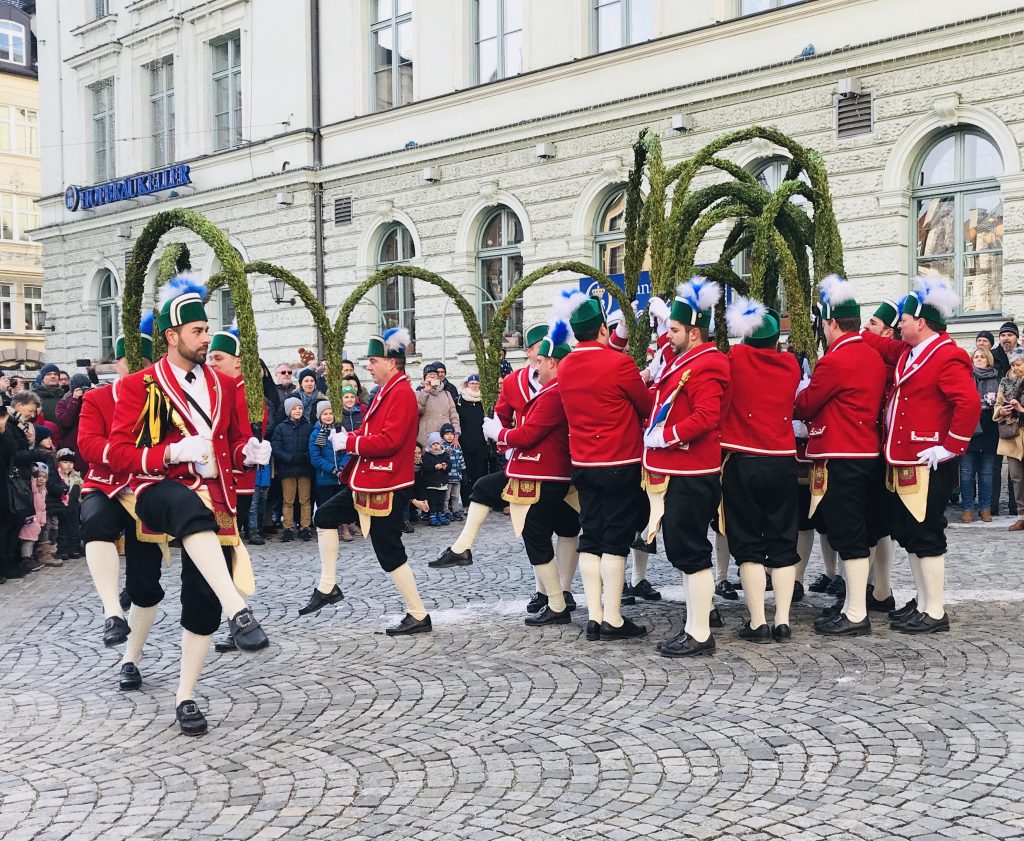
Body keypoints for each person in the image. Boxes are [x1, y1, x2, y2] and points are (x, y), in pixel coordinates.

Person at [107, 277, 272, 734]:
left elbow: (234, 440)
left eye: (206, 330)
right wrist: (170, 453)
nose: (205, 338)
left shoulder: (223, 384)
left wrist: (248, 454)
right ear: (171, 337)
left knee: (201, 601)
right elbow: (119, 452)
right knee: (186, 510)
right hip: (157, 488)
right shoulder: (141, 385)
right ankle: (239, 608)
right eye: (197, 331)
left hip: (215, 496)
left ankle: (185, 696)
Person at [861, 276, 980, 633]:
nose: (898, 326)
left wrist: (950, 445)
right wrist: (844, 323)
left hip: (929, 459)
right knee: (912, 534)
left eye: (905, 320)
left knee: (927, 534)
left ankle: (935, 610)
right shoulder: (910, 351)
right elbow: (877, 345)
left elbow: (969, 402)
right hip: (905, 458)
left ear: (922, 322)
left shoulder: (947, 355)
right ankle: (925, 602)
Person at [304, 328, 432, 636]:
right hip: (372, 481)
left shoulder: (400, 393)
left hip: (387, 484)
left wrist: (349, 443)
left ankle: (418, 614)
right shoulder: (387, 391)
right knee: (325, 516)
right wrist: (349, 437)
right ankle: (328, 584)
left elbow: (389, 441)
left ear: (392, 362)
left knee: (389, 551)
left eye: (374, 360)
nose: (368, 366)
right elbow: (372, 432)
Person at [464, 326, 580, 625]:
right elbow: (503, 414)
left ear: (550, 360)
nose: (537, 360)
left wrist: (505, 434)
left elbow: (531, 430)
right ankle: (546, 593)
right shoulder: (515, 381)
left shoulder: (559, 386)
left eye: (543, 355)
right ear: (528, 351)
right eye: (535, 352)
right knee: (533, 526)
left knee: (563, 527)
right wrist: (503, 441)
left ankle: (562, 594)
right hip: (526, 461)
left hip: (556, 464)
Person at [641, 279, 730, 656]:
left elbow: (707, 416)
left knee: (690, 550)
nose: (668, 334)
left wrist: (669, 435)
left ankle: (699, 633)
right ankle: (695, 623)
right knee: (683, 549)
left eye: (674, 330)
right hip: (678, 468)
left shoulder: (707, 363)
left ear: (694, 332)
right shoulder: (685, 360)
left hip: (692, 470)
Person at [794, 275, 886, 637]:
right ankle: (852, 604)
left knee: (847, 535)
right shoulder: (872, 355)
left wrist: (798, 393)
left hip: (839, 455)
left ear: (832, 323)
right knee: (858, 534)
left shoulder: (835, 360)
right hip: (866, 453)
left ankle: (856, 613)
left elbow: (808, 403)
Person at [557, 291, 651, 641]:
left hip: (583, 462)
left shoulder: (565, 365)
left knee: (591, 536)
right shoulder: (618, 364)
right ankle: (613, 617)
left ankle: (594, 617)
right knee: (615, 541)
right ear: (601, 328)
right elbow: (643, 405)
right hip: (620, 460)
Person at [716, 296, 801, 644]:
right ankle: (782, 620)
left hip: (743, 459)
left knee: (748, 544)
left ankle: (757, 622)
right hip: (782, 460)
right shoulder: (791, 365)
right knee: (783, 541)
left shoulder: (733, 359)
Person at [207, 325, 275, 546]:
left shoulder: (246, 394)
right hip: (215, 476)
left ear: (238, 361)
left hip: (236, 479)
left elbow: (246, 440)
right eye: (211, 358)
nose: (211, 363)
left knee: (226, 546)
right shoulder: (221, 389)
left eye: (218, 358)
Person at [1, 392, 50, 580]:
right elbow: (12, 453)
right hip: (9, 479)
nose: (32, 415)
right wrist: (37, 455)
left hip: (19, 478)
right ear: (19, 405)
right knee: (7, 523)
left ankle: (11, 562)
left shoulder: (21, 425)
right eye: (30, 410)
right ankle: (6, 564)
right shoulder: (10, 425)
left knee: (17, 522)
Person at [959, 346, 1000, 523]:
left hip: (990, 429)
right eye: (976, 357)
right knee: (966, 472)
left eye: (982, 357)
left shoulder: (997, 379)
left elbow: (1000, 401)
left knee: (986, 473)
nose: (979, 359)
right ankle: (967, 508)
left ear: (988, 359)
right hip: (970, 429)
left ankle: (985, 508)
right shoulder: (966, 378)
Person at [271, 396, 314, 541]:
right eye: (295, 408)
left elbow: (312, 445)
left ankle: (305, 527)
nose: (298, 410)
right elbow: (276, 448)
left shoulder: (308, 426)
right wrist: (289, 458)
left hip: (304, 468)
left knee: (305, 500)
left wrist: (305, 456)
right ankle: (288, 527)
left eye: (300, 408)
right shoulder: (281, 427)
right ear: (288, 411)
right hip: (287, 469)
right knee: (288, 500)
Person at [992, 322, 1020, 516]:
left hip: (1020, 423)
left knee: (1017, 470)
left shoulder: (1021, 356)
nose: (1006, 338)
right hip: (998, 422)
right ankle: (993, 506)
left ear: (1016, 338)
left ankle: (1015, 507)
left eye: (1010, 335)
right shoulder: (992, 357)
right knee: (997, 466)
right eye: (1003, 335)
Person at [995, 348, 1024, 532]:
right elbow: (997, 406)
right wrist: (1002, 411)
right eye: (1013, 365)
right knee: (1016, 477)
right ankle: (1022, 516)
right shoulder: (1005, 382)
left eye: (1019, 364)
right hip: (1012, 435)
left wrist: (1021, 409)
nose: (1015, 368)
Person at [456, 374, 487, 505]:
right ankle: (467, 500)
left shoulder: (483, 401)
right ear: (467, 385)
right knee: (466, 473)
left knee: (479, 472)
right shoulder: (460, 401)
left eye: (477, 384)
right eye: (472, 383)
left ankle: (478, 498)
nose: (474, 386)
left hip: (480, 442)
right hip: (465, 442)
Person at [54, 374, 92, 475]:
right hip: (72, 447)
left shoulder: (92, 399)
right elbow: (65, 421)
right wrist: (75, 400)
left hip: (89, 445)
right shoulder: (64, 402)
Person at [50, 448, 83, 560]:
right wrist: (63, 488)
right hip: (61, 506)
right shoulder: (56, 476)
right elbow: (52, 487)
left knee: (74, 528)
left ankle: (74, 549)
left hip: (74, 505)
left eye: (71, 462)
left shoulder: (76, 477)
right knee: (62, 529)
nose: (68, 465)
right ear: (58, 463)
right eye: (65, 462)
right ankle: (62, 550)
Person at [417, 368, 460, 444]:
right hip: (426, 438)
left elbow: (454, 415)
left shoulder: (447, 394)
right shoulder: (419, 393)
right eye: (429, 375)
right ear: (424, 379)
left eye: (435, 375)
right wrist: (426, 391)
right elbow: (418, 411)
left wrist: (456, 434)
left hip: (445, 436)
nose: (432, 376)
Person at [18, 463, 48, 571]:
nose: (42, 479)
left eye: (44, 477)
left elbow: (43, 508)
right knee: (28, 539)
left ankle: (30, 557)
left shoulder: (44, 491)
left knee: (32, 540)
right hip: (31, 519)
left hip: (37, 521)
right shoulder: (34, 490)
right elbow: (33, 484)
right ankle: (26, 558)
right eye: (39, 476)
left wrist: (42, 521)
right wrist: (33, 476)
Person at [422, 432, 451, 526]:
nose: (436, 446)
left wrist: (445, 466)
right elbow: (425, 468)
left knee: (441, 501)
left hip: (442, 483)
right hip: (431, 484)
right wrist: (434, 467)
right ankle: (432, 515)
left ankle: (441, 514)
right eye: (433, 444)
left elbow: (450, 466)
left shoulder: (445, 455)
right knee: (433, 501)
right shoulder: (427, 456)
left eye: (437, 444)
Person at [440, 423, 465, 521]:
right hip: (448, 477)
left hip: (457, 476)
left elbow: (461, 459)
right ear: (443, 436)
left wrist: (464, 471)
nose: (450, 436)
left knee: (455, 495)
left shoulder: (457, 446)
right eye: (447, 434)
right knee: (446, 496)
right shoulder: (442, 447)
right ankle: (445, 511)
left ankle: (455, 510)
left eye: (451, 434)